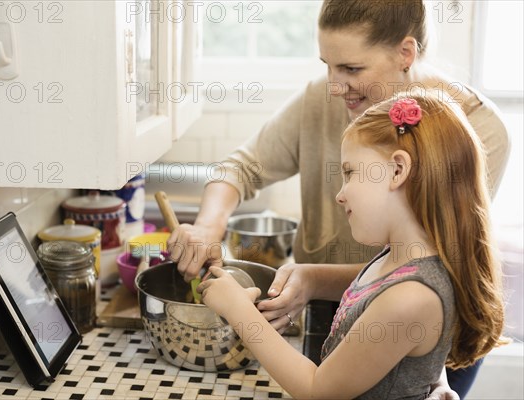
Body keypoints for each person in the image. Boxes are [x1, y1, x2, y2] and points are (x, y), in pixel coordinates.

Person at [166, 0, 511, 396]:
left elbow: (434, 270)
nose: (334, 85)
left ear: (405, 53)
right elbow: (241, 168)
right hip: (355, 303)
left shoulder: (472, 132)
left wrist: (431, 375)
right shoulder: (325, 96)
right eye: (327, 65)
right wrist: (210, 226)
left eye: (351, 68)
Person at [196, 91, 506, 399]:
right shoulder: (398, 257)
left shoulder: (412, 295)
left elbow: (318, 389)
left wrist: (238, 310)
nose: (340, 194)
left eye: (350, 172)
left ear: (398, 170)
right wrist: (434, 380)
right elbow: (412, 347)